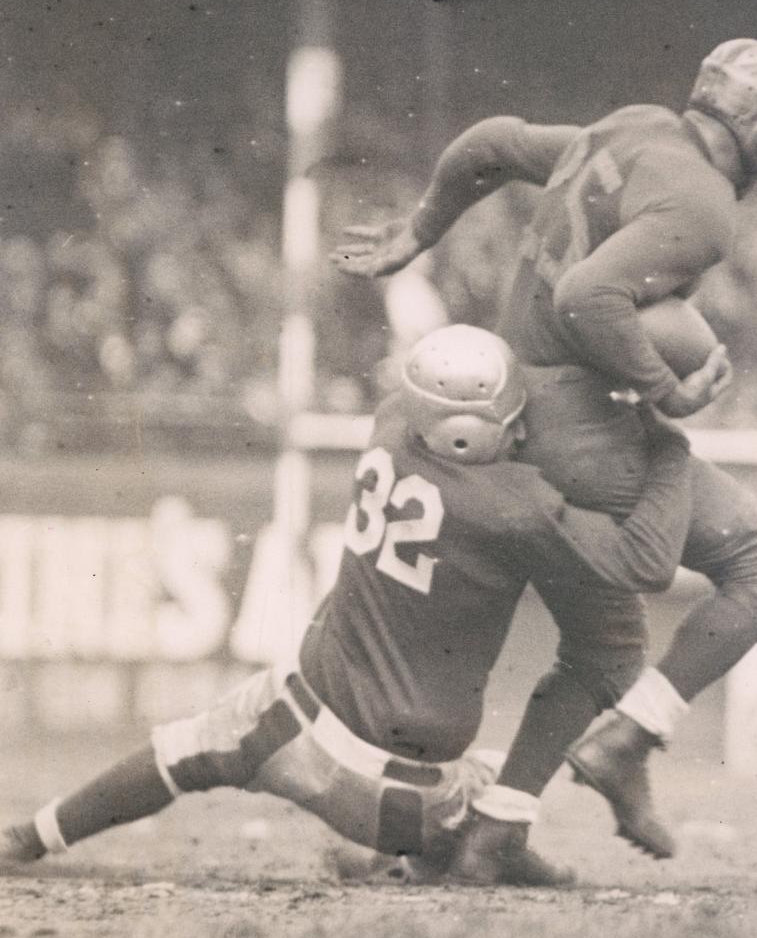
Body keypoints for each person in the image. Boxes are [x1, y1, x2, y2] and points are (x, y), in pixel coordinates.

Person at [332, 38, 757, 874]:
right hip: (578, 432)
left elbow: (490, 143)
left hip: (515, 412)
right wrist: (664, 388)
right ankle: (633, 742)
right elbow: (589, 296)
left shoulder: (633, 127)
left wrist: (421, 229)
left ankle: (496, 830)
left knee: (607, 650)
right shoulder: (705, 204)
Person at [1, 324, 692, 887]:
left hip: (286, 717)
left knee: (178, 751)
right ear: (471, 433)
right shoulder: (516, 507)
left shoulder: (391, 423)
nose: (520, 433)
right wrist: (670, 450)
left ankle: (30, 837)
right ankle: (435, 851)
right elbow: (647, 564)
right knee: (494, 780)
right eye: (510, 423)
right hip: (404, 798)